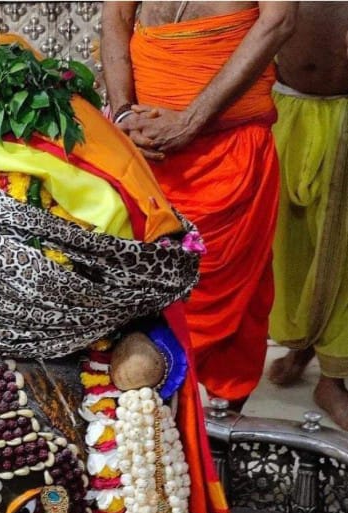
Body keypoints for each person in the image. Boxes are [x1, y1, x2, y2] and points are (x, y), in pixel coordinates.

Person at [101, 1, 296, 411]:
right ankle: (143, 445)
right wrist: (121, 116)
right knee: (137, 304)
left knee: (225, 306)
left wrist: (191, 121)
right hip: (144, 155)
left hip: (228, 158)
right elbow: (116, 17)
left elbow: (278, 21)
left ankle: (218, 439)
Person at [268, 3, 348, 431]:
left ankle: (333, 379)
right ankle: (301, 346)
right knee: (290, 246)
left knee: (346, 254)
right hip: (289, 107)